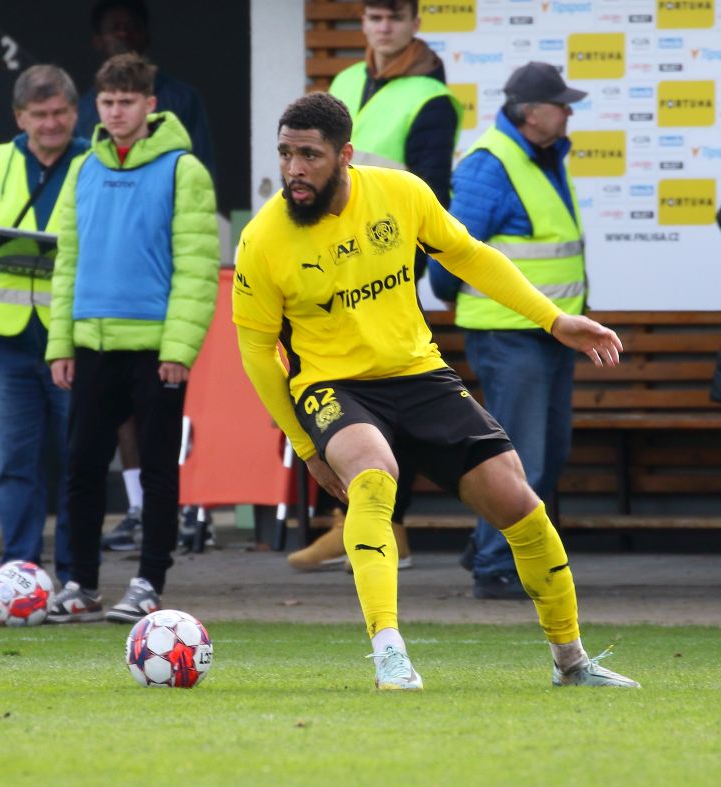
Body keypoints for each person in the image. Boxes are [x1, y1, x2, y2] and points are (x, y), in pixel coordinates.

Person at [233, 91, 638, 690]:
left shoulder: (402, 194)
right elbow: (256, 351)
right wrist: (307, 447)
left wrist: (554, 320)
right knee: (374, 476)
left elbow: (470, 257)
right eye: (286, 154)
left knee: (521, 506)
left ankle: (572, 662)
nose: (294, 169)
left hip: (420, 375)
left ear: (345, 155)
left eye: (309, 155)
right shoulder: (262, 238)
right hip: (332, 384)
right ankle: (390, 654)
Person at [288, 0, 462, 573]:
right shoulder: (343, 81)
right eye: (373, 16)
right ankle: (358, 522)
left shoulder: (431, 97)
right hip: (329, 260)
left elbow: (430, 194)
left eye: (393, 17)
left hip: (386, 263)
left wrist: (405, 267)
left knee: (388, 394)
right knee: (340, 392)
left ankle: (382, 523)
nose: (382, 27)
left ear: (414, 24)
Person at [44, 53, 219, 624]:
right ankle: (82, 583)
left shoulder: (184, 170)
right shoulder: (82, 169)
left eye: (126, 102)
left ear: (150, 104)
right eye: (107, 102)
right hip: (91, 343)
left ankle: (148, 582)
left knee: (158, 468)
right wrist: (60, 344)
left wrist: (179, 350)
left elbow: (196, 268)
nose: (116, 112)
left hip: (154, 350)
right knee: (83, 467)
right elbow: (66, 263)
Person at [428, 62, 588, 601]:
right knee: (523, 458)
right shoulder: (489, 164)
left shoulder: (545, 154)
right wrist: (454, 293)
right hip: (507, 335)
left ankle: (486, 545)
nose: (568, 113)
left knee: (551, 452)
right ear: (530, 112)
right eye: (561, 104)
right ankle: (496, 567)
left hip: (549, 333)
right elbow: (449, 253)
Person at [0, 65, 87, 606]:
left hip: (70, 341)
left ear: (74, 112)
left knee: (77, 464)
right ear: (19, 117)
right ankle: (17, 579)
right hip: (9, 340)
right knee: (15, 466)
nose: (51, 124)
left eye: (60, 113)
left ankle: (75, 577)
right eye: (39, 114)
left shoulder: (93, 161)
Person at [75, 0, 215, 175]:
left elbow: (201, 170)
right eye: (115, 28)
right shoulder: (83, 109)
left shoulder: (183, 98)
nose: (123, 33)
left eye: (132, 27)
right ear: (98, 41)